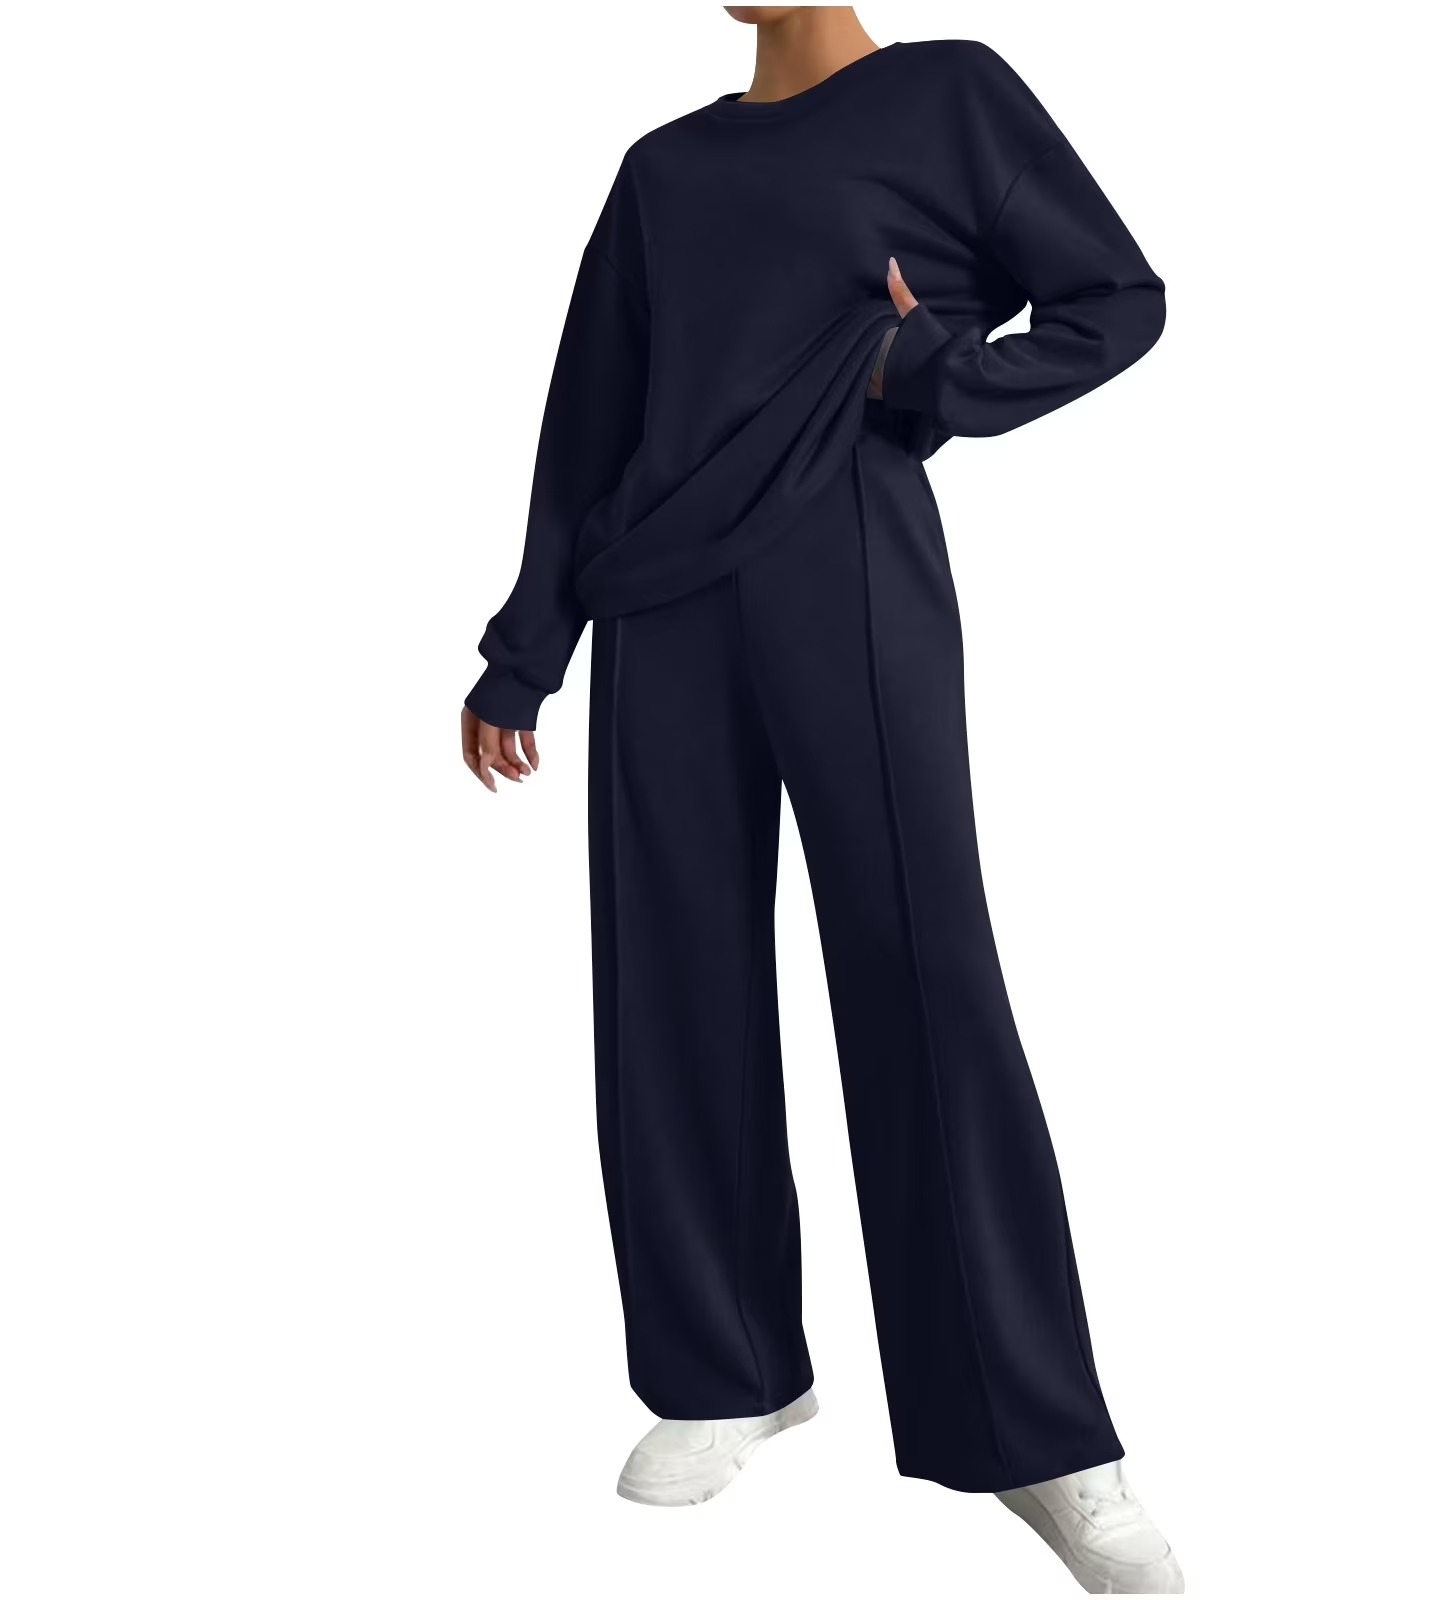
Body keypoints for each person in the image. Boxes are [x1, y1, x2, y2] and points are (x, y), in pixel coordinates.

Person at [460, 8, 1179, 1592]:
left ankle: (1035, 1429)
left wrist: (936, 374)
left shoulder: (949, 95)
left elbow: (1117, 299)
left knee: (921, 971)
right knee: (671, 986)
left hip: (846, 549)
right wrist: (526, 650)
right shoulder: (662, 170)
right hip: (658, 600)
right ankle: (725, 1370)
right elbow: (592, 418)